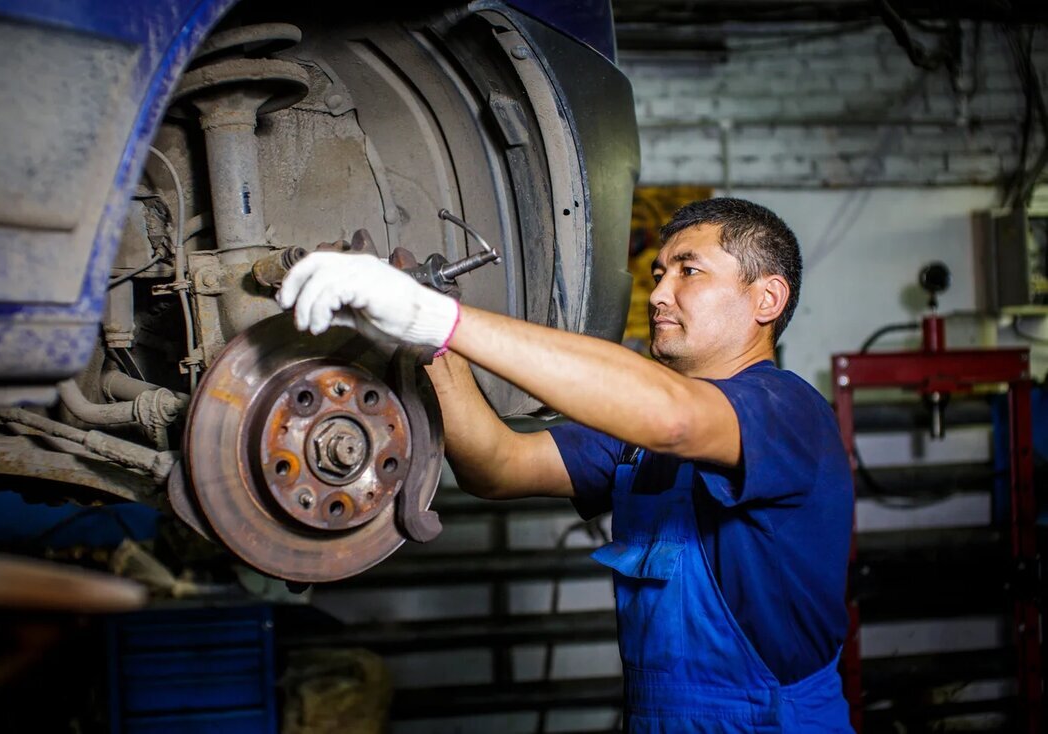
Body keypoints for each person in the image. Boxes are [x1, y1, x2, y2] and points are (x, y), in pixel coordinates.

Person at [278, 197, 855, 732]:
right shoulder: (637, 431)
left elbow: (675, 416)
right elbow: (500, 466)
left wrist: (440, 316)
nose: (658, 295)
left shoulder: (787, 410)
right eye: (658, 275)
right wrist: (429, 347)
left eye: (689, 270)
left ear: (767, 299)